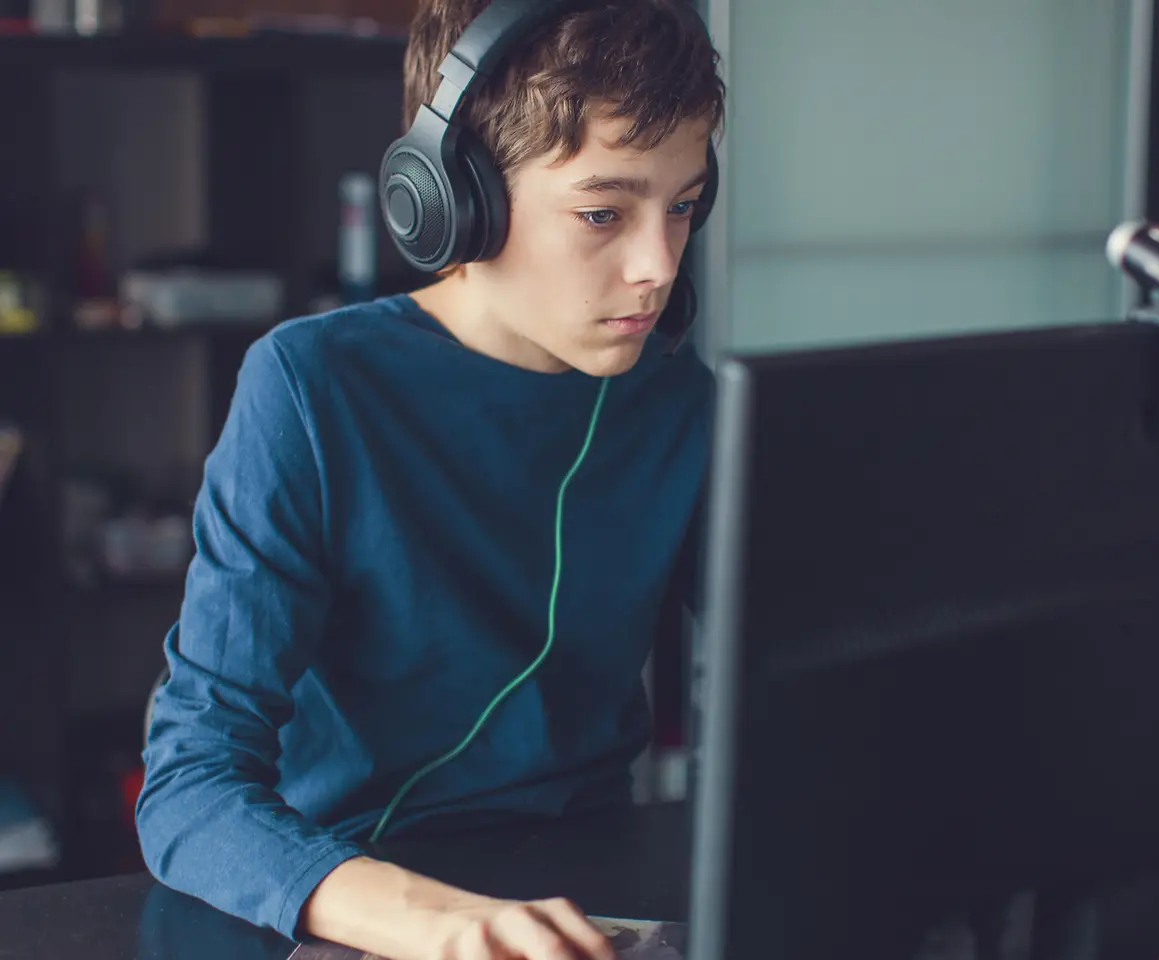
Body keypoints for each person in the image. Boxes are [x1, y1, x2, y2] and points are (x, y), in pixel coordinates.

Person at [135, 1, 724, 958]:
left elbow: (803, 674)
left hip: (589, 894)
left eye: (684, 205)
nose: (657, 266)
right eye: (603, 213)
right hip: (350, 896)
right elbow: (187, 789)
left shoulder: (678, 402)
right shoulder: (312, 387)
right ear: (456, 195)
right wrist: (440, 924)